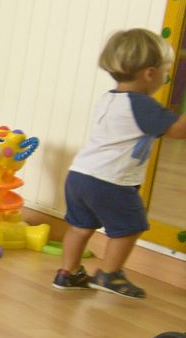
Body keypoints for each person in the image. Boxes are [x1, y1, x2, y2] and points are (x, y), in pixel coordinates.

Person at [55, 28, 186, 299]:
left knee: (80, 227)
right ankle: (109, 275)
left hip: (80, 175)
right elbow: (176, 131)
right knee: (131, 227)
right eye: (166, 70)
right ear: (150, 73)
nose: (167, 76)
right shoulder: (141, 104)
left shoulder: (109, 98)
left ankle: (67, 273)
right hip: (109, 181)